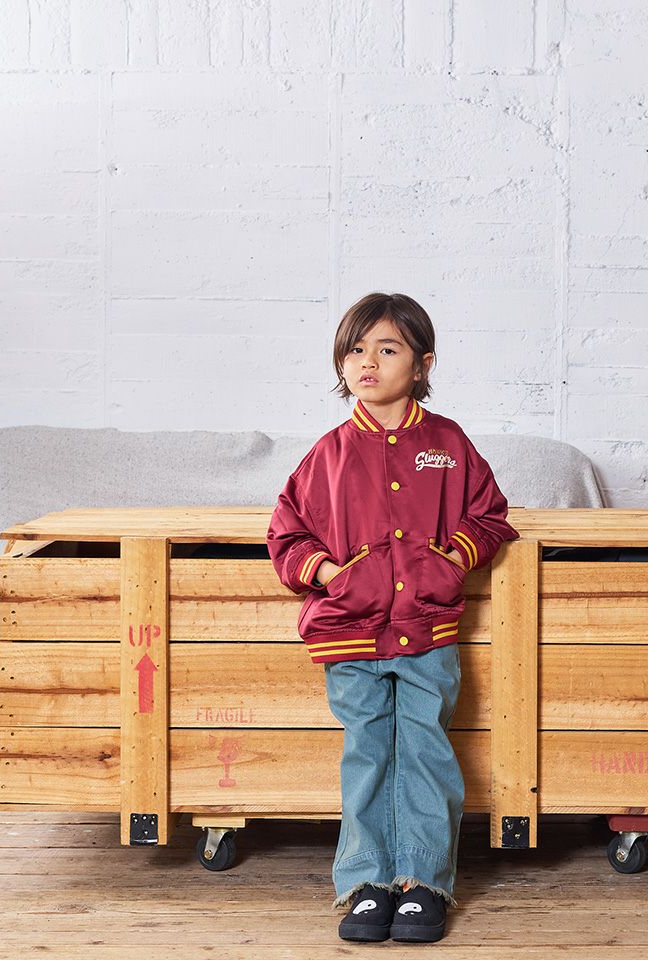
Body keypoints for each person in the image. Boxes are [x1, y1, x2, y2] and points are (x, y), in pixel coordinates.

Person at [265, 292, 520, 944]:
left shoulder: (448, 444)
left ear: (423, 363)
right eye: (355, 350)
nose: (368, 363)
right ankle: (366, 884)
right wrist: (332, 574)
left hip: (428, 631)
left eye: (387, 349)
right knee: (369, 755)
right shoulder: (327, 455)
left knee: (426, 752)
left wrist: (450, 560)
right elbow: (286, 536)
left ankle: (423, 883)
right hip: (350, 635)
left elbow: (491, 516)